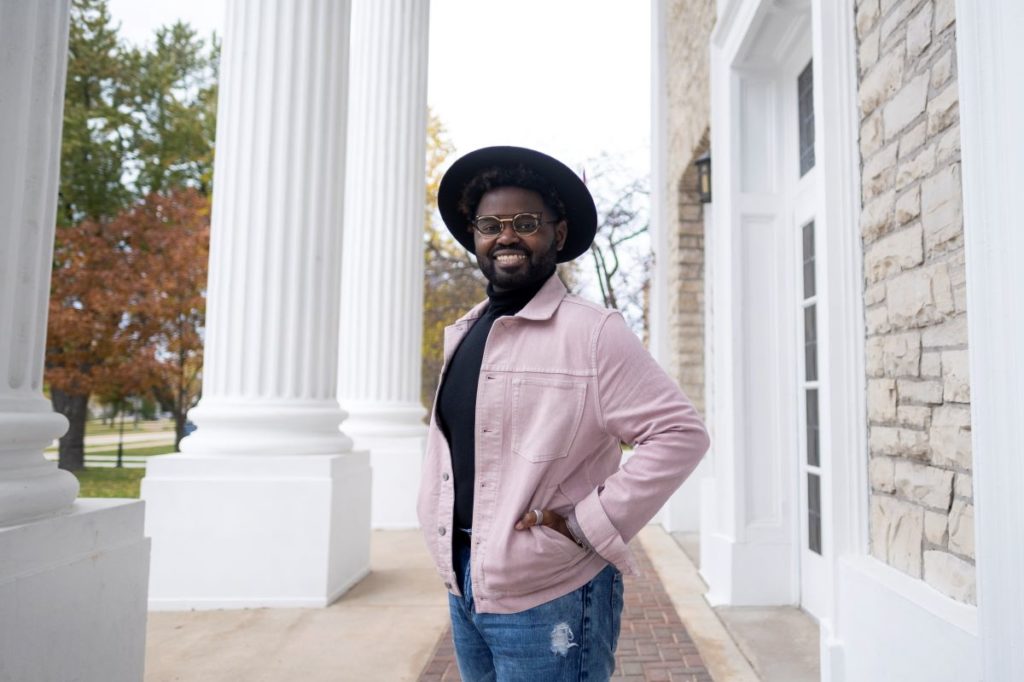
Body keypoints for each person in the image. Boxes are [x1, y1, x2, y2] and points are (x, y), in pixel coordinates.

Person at [417, 145, 709, 681]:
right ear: (474, 237)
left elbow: (680, 433)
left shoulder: (593, 332)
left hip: (551, 595)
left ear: (556, 233)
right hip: (464, 583)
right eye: (489, 224)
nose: (505, 236)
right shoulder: (464, 333)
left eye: (525, 222)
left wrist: (585, 524)